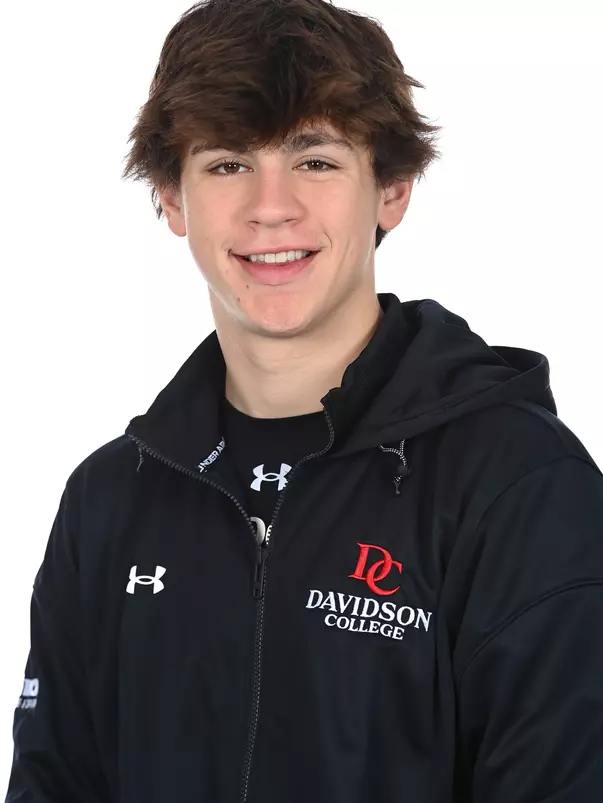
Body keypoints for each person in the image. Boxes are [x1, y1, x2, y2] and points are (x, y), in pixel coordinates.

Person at [5, 0, 603, 801]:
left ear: (391, 189)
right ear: (173, 199)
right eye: (227, 164)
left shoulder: (517, 485)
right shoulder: (108, 499)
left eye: (314, 160)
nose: (270, 206)